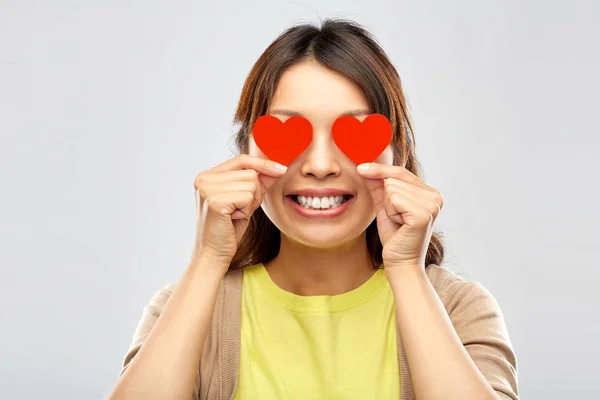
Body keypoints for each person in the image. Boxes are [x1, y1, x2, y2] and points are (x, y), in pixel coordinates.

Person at [108, 18, 519, 400]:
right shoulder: (188, 308)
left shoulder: (458, 307)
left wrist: (407, 270)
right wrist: (208, 259)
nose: (320, 166)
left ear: (398, 154)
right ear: (245, 154)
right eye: (290, 133)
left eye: (351, 133)